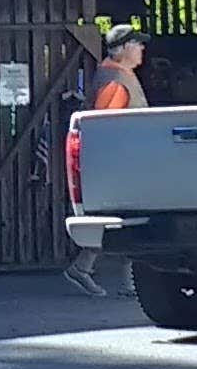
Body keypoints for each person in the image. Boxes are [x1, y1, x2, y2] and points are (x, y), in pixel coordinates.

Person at [63, 27, 151, 295]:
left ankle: (96, 273)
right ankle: (88, 270)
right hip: (123, 163)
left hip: (128, 161)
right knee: (129, 219)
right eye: (137, 44)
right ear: (123, 48)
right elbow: (102, 123)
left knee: (130, 219)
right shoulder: (115, 80)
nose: (142, 49)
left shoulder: (122, 75)